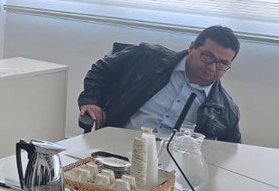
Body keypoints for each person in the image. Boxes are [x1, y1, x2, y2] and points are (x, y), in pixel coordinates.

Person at [78, 25, 242, 143]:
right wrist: (90, 100)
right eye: (207, 57)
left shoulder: (226, 110)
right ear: (192, 47)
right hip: (117, 144)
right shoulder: (148, 57)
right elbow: (103, 69)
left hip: (173, 166)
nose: (212, 67)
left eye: (223, 63)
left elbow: (230, 152)